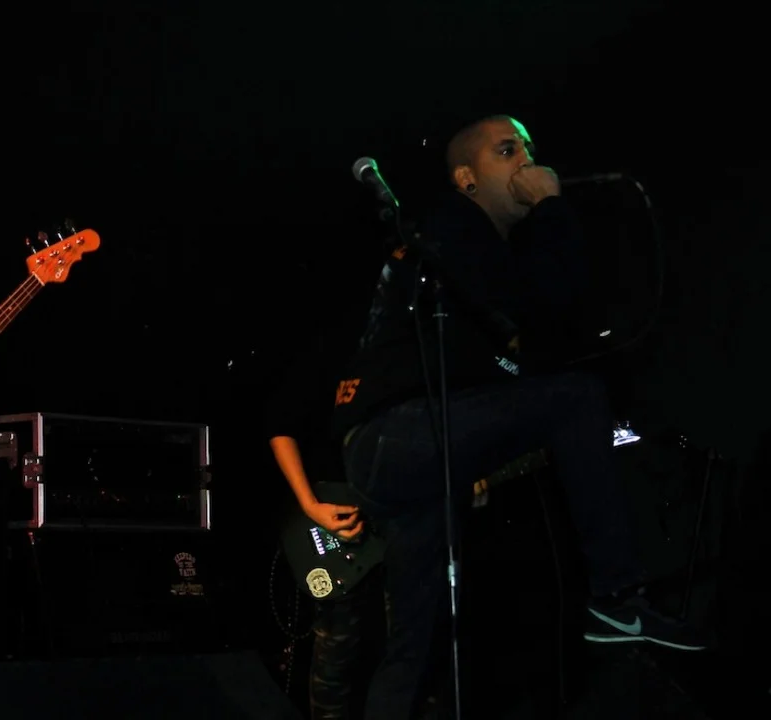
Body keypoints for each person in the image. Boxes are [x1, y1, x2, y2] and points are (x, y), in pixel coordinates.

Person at [332, 114, 705, 720]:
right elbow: (554, 298)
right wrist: (552, 207)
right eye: (508, 151)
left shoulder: (463, 255)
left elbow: (495, 356)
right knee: (577, 396)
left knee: (414, 643)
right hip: (398, 433)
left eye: (529, 150)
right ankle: (616, 596)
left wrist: (477, 443)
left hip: (395, 451)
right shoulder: (456, 225)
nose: (527, 163)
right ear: (466, 178)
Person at [265, 322, 382, 720]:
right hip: (333, 515)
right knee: (336, 655)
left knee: (408, 646)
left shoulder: (421, 356)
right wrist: (310, 505)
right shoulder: (334, 346)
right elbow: (280, 427)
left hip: (398, 521)